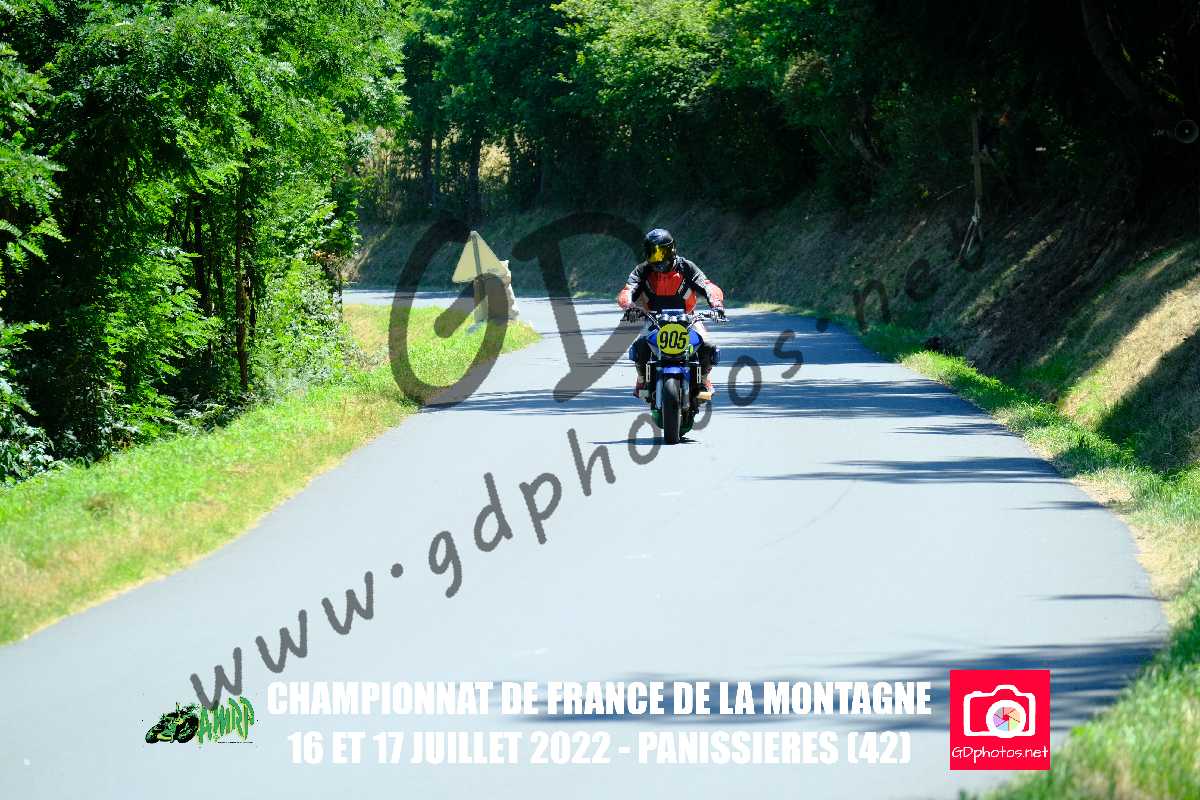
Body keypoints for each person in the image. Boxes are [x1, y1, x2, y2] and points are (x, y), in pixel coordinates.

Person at [616, 228, 725, 401]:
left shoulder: (687, 267)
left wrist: (716, 304)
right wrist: (628, 306)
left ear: (672, 250)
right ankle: (642, 380)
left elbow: (707, 285)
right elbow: (628, 290)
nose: (657, 259)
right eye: (652, 253)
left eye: (661, 252)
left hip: (688, 317)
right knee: (640, 346)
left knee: (707, 345)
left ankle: (704, 379)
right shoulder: (642, 270)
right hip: (653, 318)